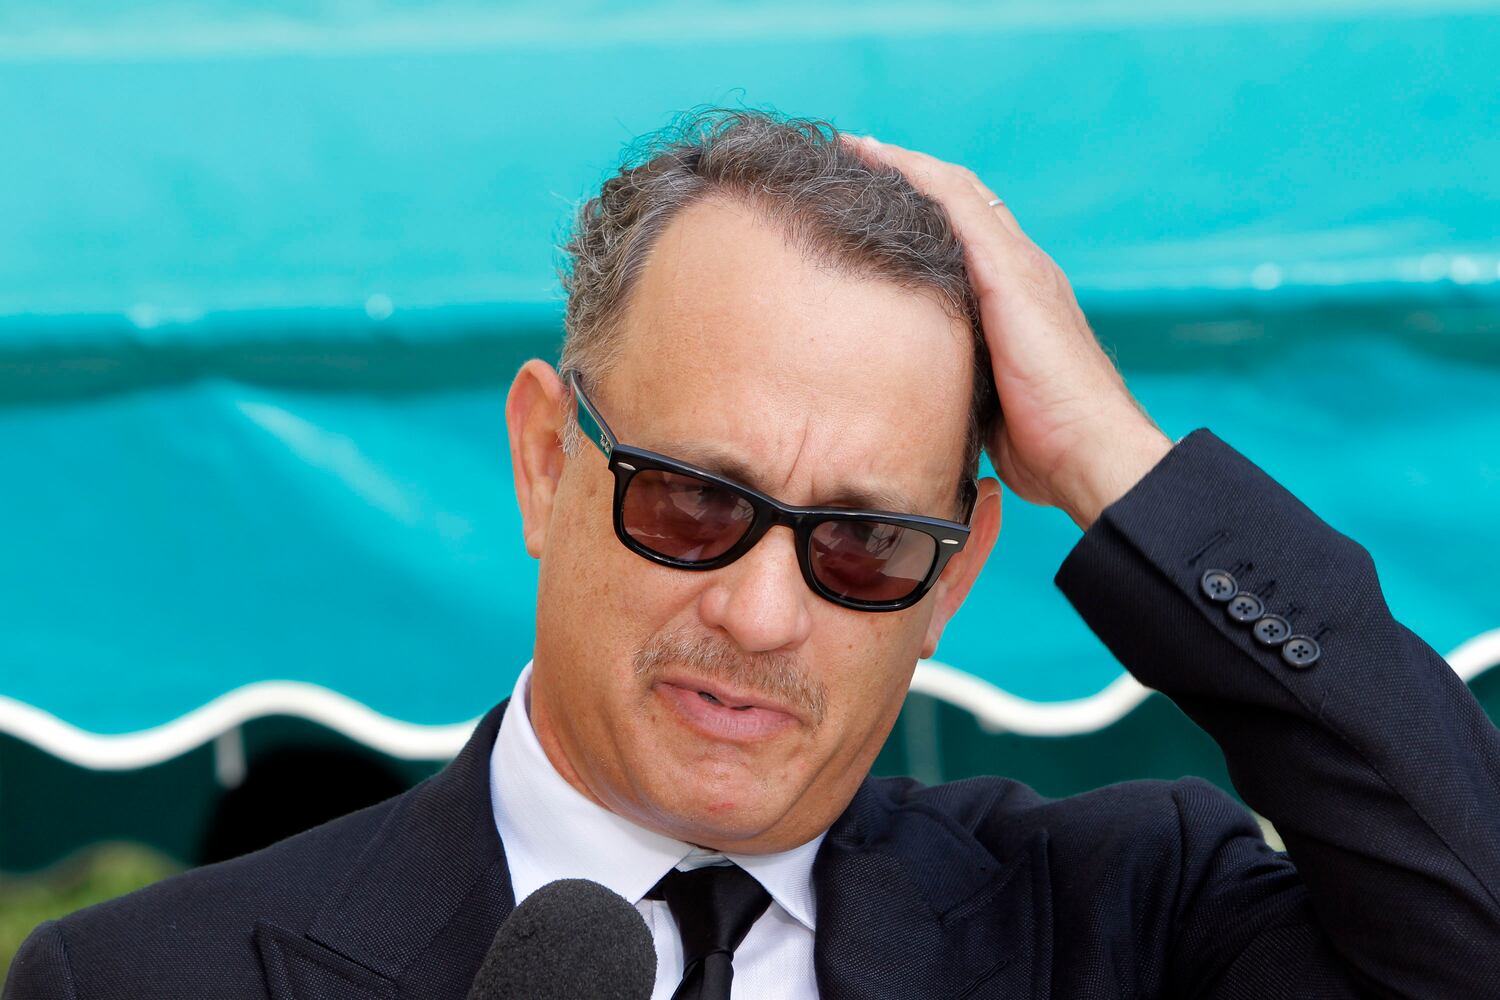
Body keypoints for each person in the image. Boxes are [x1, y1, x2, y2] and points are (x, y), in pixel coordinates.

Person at [7, 108, 1499, 1000]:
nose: (763, 610)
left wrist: (1117, 463)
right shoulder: (142, 982)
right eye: (693, 503)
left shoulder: (1124, 919)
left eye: (865, 541)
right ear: (547, 463)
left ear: (954, 574)